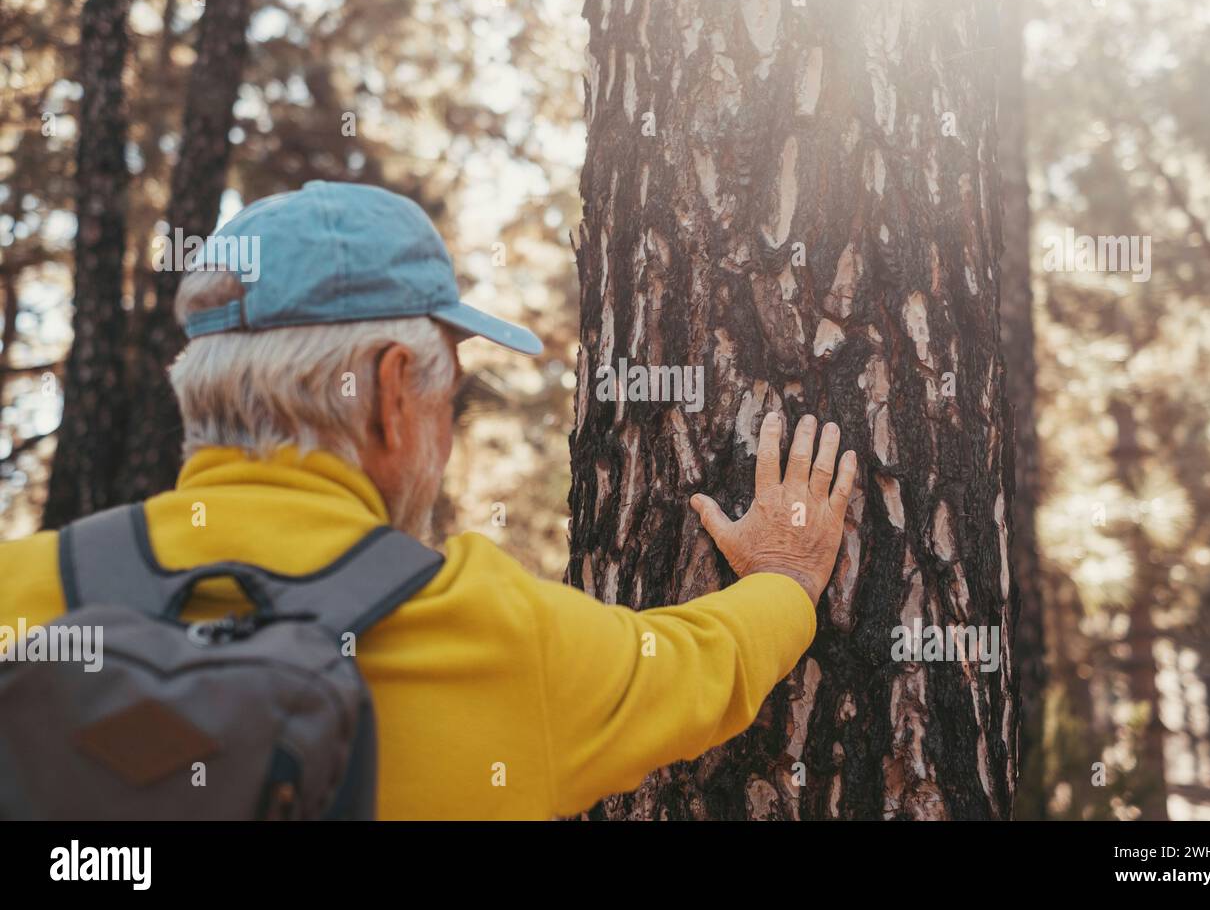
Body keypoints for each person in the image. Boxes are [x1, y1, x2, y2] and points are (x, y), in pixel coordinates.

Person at [0, 181, 857, 819]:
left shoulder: (18, 594)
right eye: (451, 397)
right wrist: (784, 578)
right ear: (391, 389)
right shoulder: (490, 632)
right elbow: (700, 666)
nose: (446, 439)